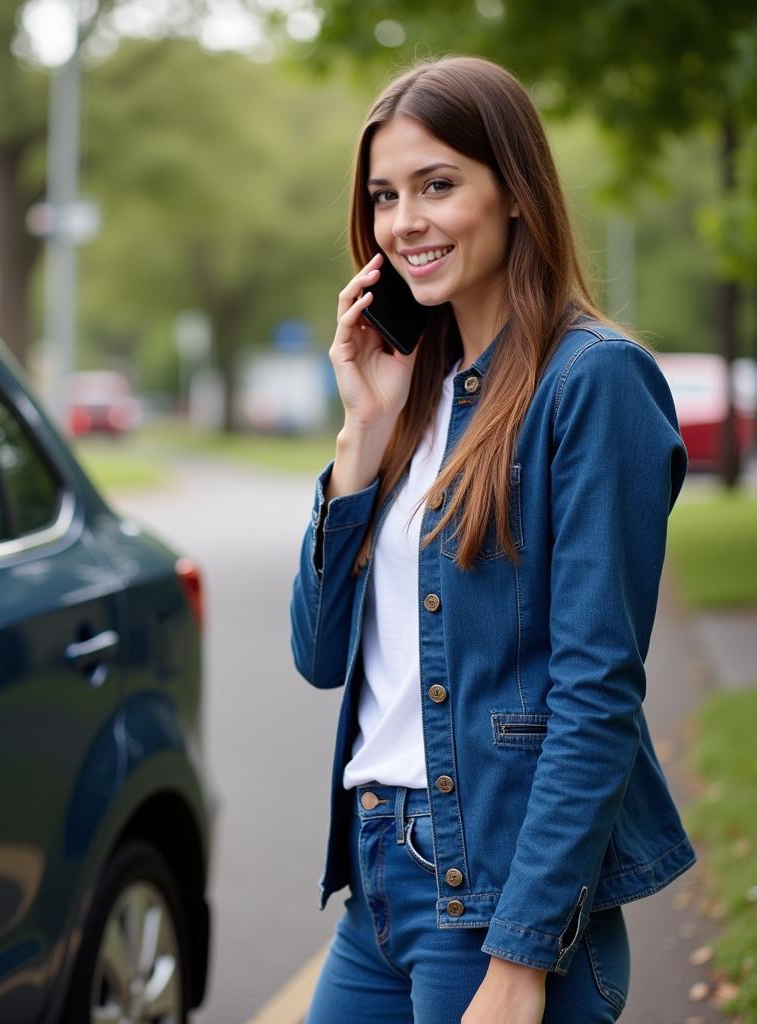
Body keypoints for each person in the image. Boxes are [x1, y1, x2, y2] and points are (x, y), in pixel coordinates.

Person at [289, 55, 696, 1024]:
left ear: (513, 191)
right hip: (378, 881)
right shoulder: (412, 392)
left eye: (437, 185)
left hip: (498, 894)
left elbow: (595, 691)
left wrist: (521, 952)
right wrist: (362, 437)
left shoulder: (591, 383)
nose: (404, 222)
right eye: (386, 196)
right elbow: (316, 654)